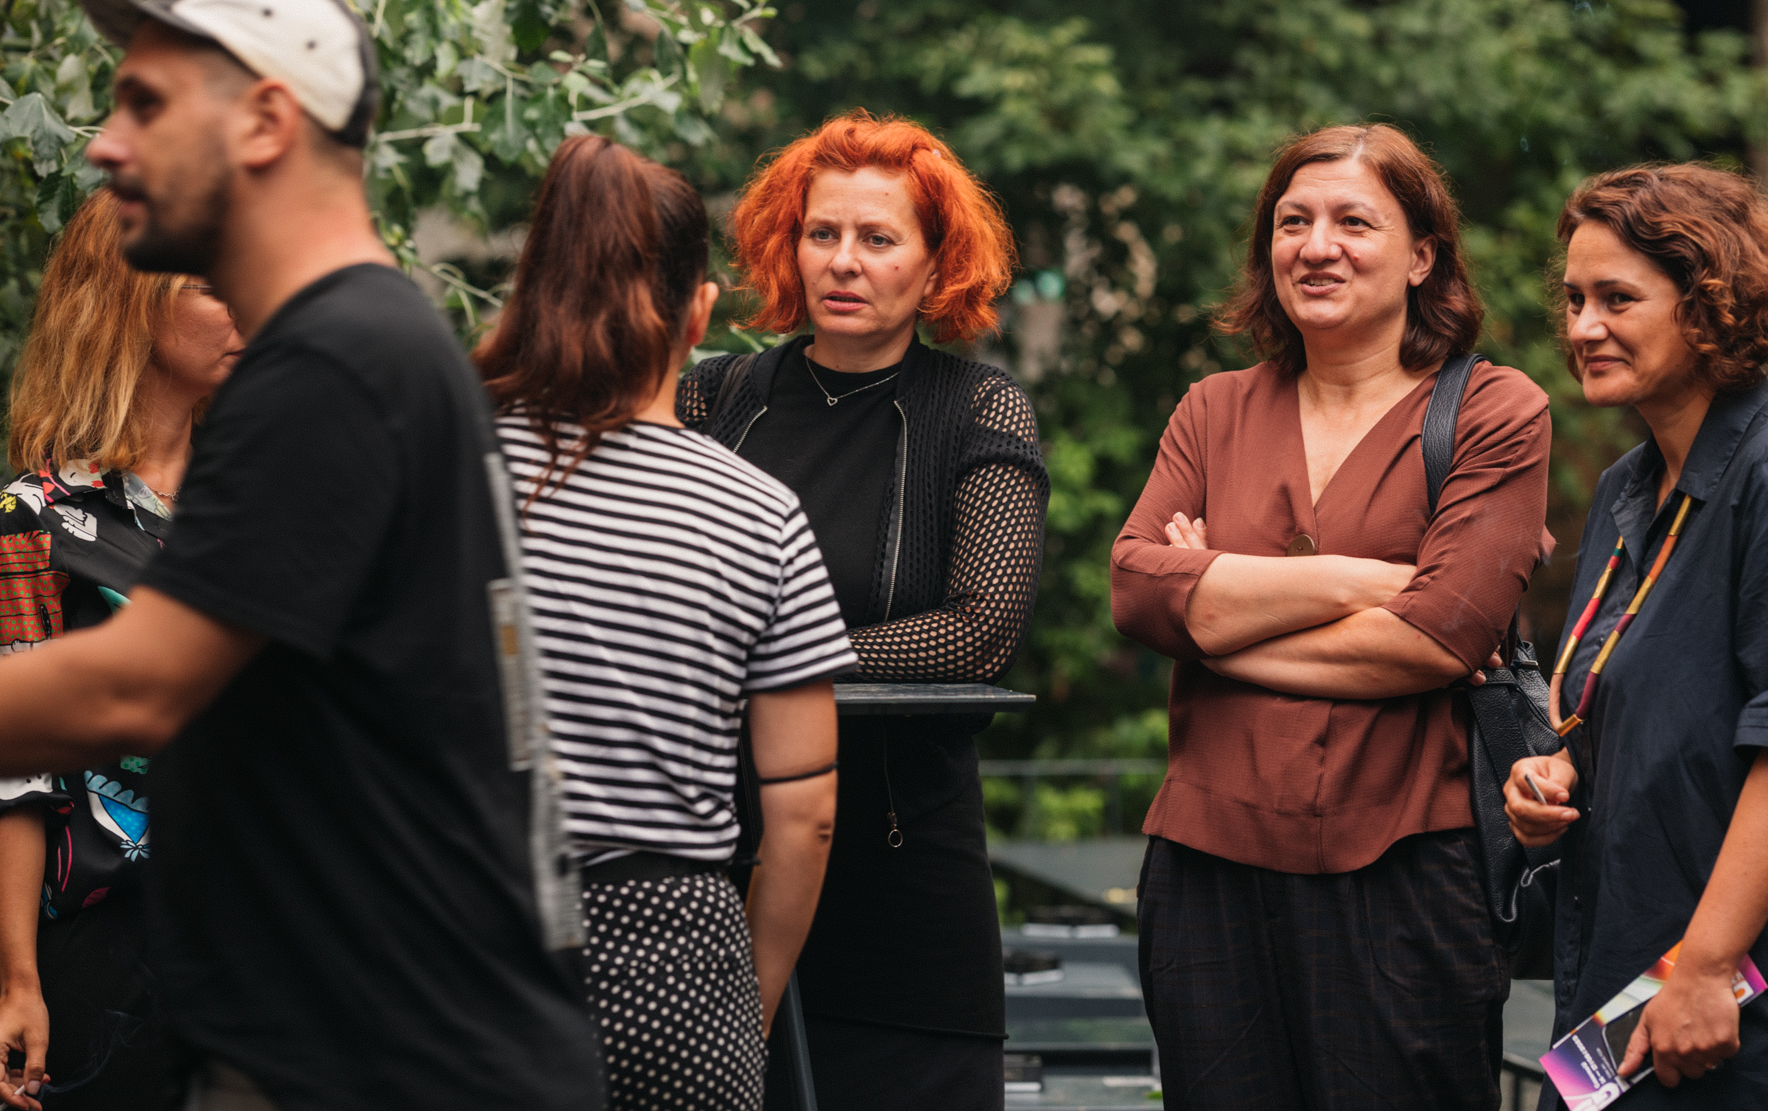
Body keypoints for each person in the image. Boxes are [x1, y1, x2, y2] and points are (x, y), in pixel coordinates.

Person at [0, 0, 603, 1111]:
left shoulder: (333, 365)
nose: (106, 146)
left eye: (146, 106)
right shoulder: (363, 346)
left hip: (384, 1062)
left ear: (267, 122)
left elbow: (135, 688)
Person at [1109, 124, 1551, 1109]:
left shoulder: (1493, 412)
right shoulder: (1212, 410)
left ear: (1421, 256)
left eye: (1354, 222)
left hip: (1405, 876)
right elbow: (1136, 588)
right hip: (1205, 876)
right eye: (1291, 222)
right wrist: (1368, 580)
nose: (1316, 246)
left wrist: (1217, 610)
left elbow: (1438, 636)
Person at [1504, 164, 1768, 1109]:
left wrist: (1705, 966)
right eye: (1574, 299)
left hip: (1742, 1002)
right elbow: (1638, 706)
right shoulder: (1627, 486)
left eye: (1617, 298)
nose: (1582, 327)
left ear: (1710, 305)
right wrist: (1555, 774)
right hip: (1626, 976)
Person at [475, 134, 853, 1110]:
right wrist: (741, 1009)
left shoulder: (447, 470)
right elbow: (804, 813)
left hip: (466, 943)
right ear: (699, 313)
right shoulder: (758, 514)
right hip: (675, 968)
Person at [679, 112, 1046, 1111]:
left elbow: (978, 631)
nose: (843, 261)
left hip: (904, 884)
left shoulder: (975, 407)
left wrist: (777, 655)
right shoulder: (717, 400)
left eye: (878, 238)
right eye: (822, 233)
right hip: (721, 866)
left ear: (935, 267)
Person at [0, 191, 242, 1110]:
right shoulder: (34, 519)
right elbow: (11, 775)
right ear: (130, 300)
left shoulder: (256, 507)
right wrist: (16, 978)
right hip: (106, 953)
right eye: (211, 284)